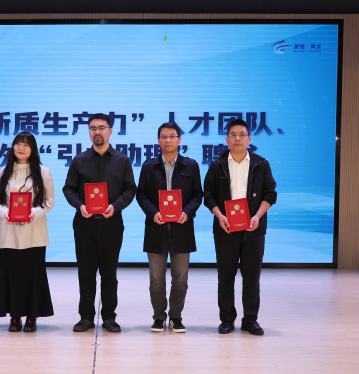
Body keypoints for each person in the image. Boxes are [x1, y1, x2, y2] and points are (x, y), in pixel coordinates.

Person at [62, 113, 137, 333]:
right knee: (85, 273)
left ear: (110, 131)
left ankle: (109, 318)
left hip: (111, 224)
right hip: (84, 223)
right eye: (93, 128)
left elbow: (130, 189)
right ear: (89, 132)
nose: (97, 132)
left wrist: (115, 206)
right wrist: (80, 206)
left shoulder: (122, 160)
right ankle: (86, 317)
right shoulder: (79, 160)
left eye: (101, 128)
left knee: (109, 274)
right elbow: (68, 189)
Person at [203, 119, 277, 336]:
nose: (237, 138)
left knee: (252, 277)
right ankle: (226, 320)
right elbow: (208, 195)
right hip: (225, 229)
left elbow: (270, 194)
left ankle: (250, 319)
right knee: (225, 276)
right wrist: (219, 215)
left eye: (242, 134)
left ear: (249, 139)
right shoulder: (217, 165)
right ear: (227, 140)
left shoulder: (261, 164)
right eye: (233, 135)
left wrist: (257, 216)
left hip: (254, 229)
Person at [136, 122, 203, 333]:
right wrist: (153, 212)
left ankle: (175, 317)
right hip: (156, 228)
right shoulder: (149, 166)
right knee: (156, 279)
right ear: (158, 140)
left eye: (172, 136)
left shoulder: (190, 165)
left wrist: (187, 212)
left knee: (180, 279)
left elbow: (197, 195)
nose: (168, 140)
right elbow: (141, 194)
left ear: (179, 140)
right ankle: (158, 317)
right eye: (164, 137)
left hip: (182, 228)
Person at [0, 132, 55, 332]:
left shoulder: (44, 172)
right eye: (18, 144)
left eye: (26, 145)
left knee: (33, 275)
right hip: (8, 231)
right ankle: (14, 316)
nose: (21, 148)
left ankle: (32, 316)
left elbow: (49, 200)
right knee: (11, 275)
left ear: (32, 149)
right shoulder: (1, 172)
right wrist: (5, 213)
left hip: (34, 231)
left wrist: (33, 213)